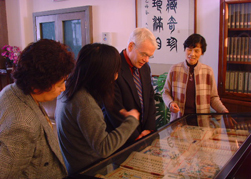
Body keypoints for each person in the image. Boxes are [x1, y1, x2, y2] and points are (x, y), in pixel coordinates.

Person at [55, 43, 140, 175]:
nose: (116, 76)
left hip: (74, 166)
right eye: (114, 71)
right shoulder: (84, 102)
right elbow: (104, 148)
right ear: (100, 73)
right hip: (89, 171)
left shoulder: (69, 88)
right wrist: (132, 121)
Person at [0, 39, 75, 178]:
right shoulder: (22, 124)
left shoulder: (12, 90)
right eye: (60, 84)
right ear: (39, 84)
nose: (63, 88)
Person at [102, 27, 157, 147]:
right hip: (123, 139)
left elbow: (150, 98)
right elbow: (113, 108)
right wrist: (136, 136)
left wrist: (149, 129)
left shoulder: (145, 67)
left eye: (149, 56)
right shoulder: (113, 66)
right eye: (144, 54)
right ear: (131, 46)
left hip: (144, 135)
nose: (146, 60)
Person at [162, 33, 229, 124]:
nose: (192, 54)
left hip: (202, 123)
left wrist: (223, 111)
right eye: (189, 50)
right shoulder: (175, 69)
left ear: (202, 52)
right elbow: (166, 92)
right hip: (179, 122)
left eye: (196, 51)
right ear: (185, 50)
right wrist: (170, 103)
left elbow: (213, 98)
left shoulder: (208, 71)